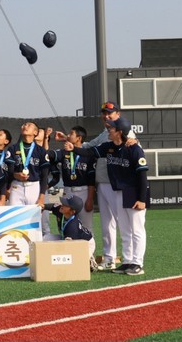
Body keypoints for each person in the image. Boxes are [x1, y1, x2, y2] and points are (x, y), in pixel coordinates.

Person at [54, 101, 137, 271]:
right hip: (103, 183)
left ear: (118, 114)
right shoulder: (104, 133)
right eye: (104, 113)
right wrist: (67, 140)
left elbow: (136, 152)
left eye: (110, 113)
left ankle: (130, 259)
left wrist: (133, 141)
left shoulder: (127, 133)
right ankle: (109, 258)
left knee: (123, 223)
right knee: (107, 224)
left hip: (118, 184)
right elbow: (88, 147)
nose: (106, 116)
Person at [66, 116, 150, 276]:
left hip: (133, 192)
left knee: (137, 229)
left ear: (119, 131)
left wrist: (141, 199)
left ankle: (137, 263)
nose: (108, 130)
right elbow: (90, 152)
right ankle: (127, 261)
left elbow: (142, 176)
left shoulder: (134, 149)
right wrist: (73, 149)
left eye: (111, 128)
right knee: (124, 229)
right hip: (118, 191)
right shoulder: (109, 146)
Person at [46, 126, 96, 233]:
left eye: (71, 133)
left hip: (84, 191)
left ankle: (88, 244)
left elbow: (91, 180)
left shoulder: (87, 154)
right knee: (67, 223)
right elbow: (48, 154)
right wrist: (46, 138)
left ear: (79, 138)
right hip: (68, 191)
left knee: (87, 226)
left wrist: (90, 199)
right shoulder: (64, 152)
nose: (68, 135)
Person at [41, 195, 98, 272]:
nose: (62, 205)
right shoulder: (62, 210)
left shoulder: (72, 227)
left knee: (73, 263)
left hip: (85, 245)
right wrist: (43, 206)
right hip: (67, 239)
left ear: (72, 211)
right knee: (46, 239)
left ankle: (88, 258)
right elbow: (52, 206)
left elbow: (70, 249)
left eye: (65, 205)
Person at [5, 120, 50, 216]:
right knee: (14, 217)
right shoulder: (13, 148)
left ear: (35, 132)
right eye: (24, 125)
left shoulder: (41, 151)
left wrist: (41, 197)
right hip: (17, 186)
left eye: (29, 125)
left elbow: (45, 175)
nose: (25, 126)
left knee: (33, 218)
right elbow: (9, 171)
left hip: (34, 187)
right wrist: (16, 175)